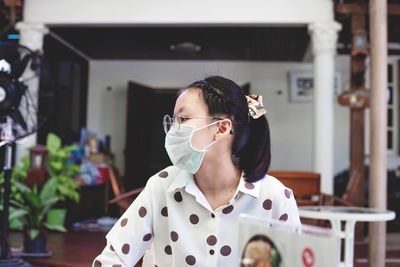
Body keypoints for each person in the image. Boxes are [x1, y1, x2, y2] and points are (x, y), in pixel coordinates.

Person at [92, 76, 300, 267]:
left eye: (183, 119)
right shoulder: (162, 186)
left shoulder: (275, 197)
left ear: (221, 128)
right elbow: (112, 258)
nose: (173, 130)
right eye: (173, 121)